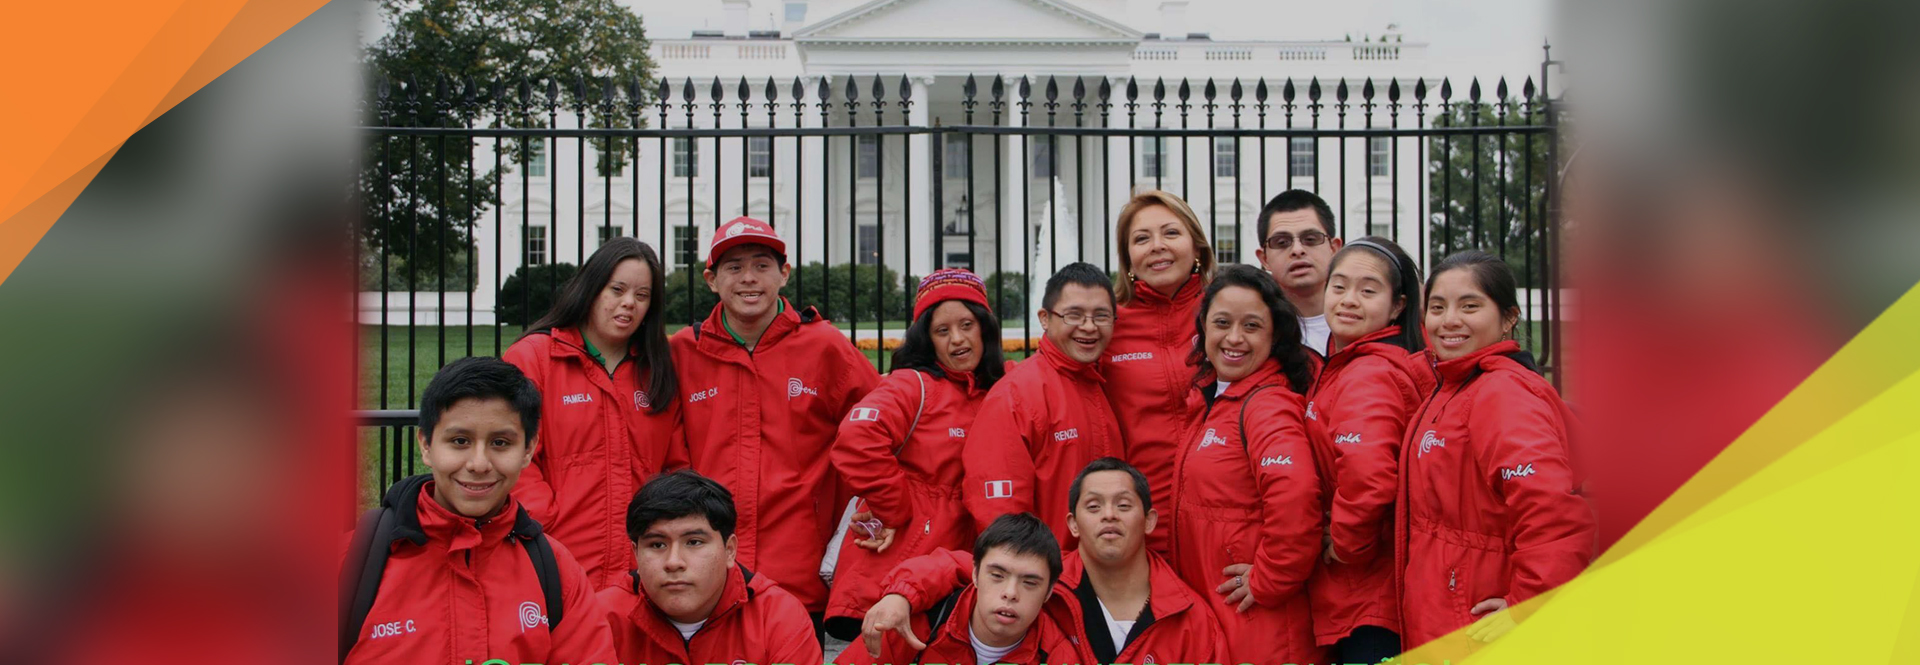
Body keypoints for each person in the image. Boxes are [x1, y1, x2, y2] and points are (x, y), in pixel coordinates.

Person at [670, 216, 882, 621]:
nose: (748, 278)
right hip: (706, 573)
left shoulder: (825, 348)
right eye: (734, 267)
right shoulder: (683, 352)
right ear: (711, 279)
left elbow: (882, 430)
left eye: (761, 265)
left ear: (783, 274)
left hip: (799, 574)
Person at [340, 357, 615, 665]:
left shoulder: (556, 571)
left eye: (500, 443)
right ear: (426, 445)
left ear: (528, 450)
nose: (479, 464)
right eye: (460, 441)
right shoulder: (350, 561)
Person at [1397, 251, 1595, 655]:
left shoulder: (1501, 394)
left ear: (1508, 318)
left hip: (1475, 614)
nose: (1449, 320)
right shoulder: (1456, 384)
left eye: (1470, 306)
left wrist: (1528, 607)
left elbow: (1551, 511)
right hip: (1448, 609)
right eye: (1437, 307)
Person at [862, 458, 1230, 665]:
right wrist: (901, 595)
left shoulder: (1191, 619)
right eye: (1093, 506)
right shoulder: (1038, 580)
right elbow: (961, 565)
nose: (1109, 516)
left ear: (1149, 520)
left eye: (1123, 505)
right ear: (1072, 523)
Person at [822, 269, 1012, 639]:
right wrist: (894, 507)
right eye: (942, 331)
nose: (957, 339)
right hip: (896, 563)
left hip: (953, 565)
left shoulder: (999, 388)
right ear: (927, 339)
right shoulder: (913, 384)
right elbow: (856, 438)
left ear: (984, 328)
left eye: (967, 325)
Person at [502, 237, 686, 588]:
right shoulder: (534, 358)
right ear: (591, 288)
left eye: (642, 295)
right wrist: (546, 524)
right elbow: (513, 457)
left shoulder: (658, 369)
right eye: (616, 289)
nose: (628, 303)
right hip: (555, 559)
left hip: (642, 567)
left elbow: (676, 465)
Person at [1168, 264, 1326, 664]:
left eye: (1252, 326)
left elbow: (1297, 493)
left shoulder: (1266, 405)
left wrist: (1270, 578)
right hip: (1226, 613)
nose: (1234, 338)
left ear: (1275, 335)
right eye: (1222, 323)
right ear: (1204, 329)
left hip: (1259, 624)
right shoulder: (1220, 399)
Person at [1302, 237, 1433, 662]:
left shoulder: (1369, 373)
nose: (1348, 300)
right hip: (1366, 591)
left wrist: (1344, 545)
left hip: (1366, 594)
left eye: (1368, 290)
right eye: (1338, 287)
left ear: (1397, 306)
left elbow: (1369, 476)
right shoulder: (1350, 363)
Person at [964, 262, 1124, 548]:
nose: (1088, 327)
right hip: (1051, 576)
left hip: (1101, 571)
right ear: (1045, 318)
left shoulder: (1105, 382)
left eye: (1101, 316)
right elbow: (1001, 517)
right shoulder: (1016, 396)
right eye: (1074, 315)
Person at [594, 470, 822, 665]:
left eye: (694, 542)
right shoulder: (601, 618)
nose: (673, 562)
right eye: (657, 544)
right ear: (636, 553)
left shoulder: (777, 618)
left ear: (729, 550)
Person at [1103, 190, 1215, 557]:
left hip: (1223, 513)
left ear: (1197, 247)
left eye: (1171, 233)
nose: (1157, 246)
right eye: (1141, 238)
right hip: (1141, 518)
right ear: (1128, 259)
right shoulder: (1108, 324)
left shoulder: (1227, 310)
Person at [839, 513, 1075, 665]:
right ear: (974, 574)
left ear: (1048, 592)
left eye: (1030, 583)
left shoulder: (1057, 654)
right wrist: (898, 595)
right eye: (997, 576)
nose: (1010, 593)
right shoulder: (916, 626)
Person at [1253, 189, 1344, 356]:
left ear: (1334, 248)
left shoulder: (1366, 321)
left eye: (1310, 239)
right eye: (1281, 242)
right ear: (1264, 258)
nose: (1297, 250)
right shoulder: (1253, 331)